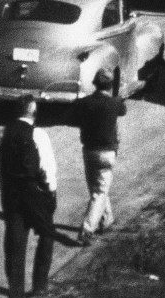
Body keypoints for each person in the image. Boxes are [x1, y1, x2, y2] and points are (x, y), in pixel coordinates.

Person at [0, 95, 58, 298]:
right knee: (46, 237)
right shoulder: (39, 135)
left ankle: (16, 291)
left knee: (15, 244)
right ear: (33, 111)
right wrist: (51, 191)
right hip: (36, 194)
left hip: (12, 194)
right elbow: (47, 167)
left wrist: (4, 189)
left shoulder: (3, 133)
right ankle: (39, 286)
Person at [71, 68, 127, 246]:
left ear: (94, 83)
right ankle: (88, 229)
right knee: (100, 191)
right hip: (108, 153)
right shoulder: (115, 103)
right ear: (110, 86)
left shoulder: (84, 103)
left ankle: (107, 219)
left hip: (89, 152)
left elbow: (72, 117)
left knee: (96, 190)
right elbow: (123, 110)